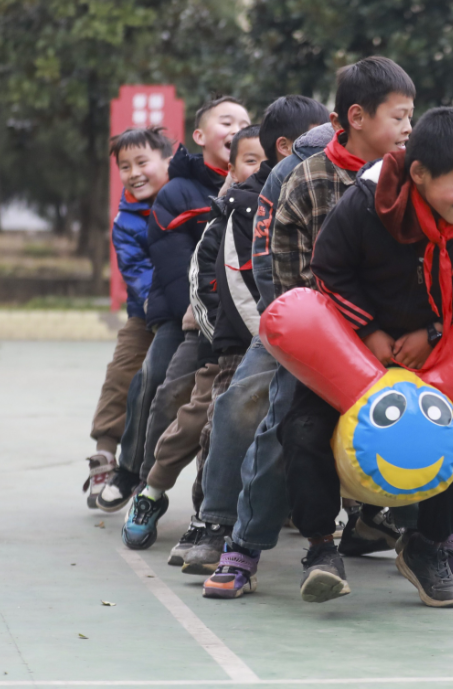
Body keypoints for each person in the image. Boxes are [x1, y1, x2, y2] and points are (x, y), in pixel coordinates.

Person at [281, 106, 453, 608]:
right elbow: (329, 271)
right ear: (419, 174)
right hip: (354, 350)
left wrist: (432, 333)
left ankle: (426, 545)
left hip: (435, 356)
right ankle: (322, 546)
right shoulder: (367, 205)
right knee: (302, 430)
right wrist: (368, 332)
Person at [202, 57, 415, 600]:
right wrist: (312, 338)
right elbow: (278, 270)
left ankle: (434, 540)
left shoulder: (412, 174)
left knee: (429, 418)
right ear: (357, 117)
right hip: (310, 330)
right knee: (271, 420)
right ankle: (235, 539)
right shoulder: (303, 177)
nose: (409, 129)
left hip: (393, 335)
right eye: (400, 116)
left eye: (412, 116)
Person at [179, 98, 330, 574]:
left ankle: (392, 521)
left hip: (356, 324)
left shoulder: (378, 175)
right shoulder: (257, 195)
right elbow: (257, 273)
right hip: (283, 320)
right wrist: (279, 327)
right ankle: (216, 522)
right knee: (238, 399)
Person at [97, 96, 250, 512]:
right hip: (175, 313)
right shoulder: (176, 193)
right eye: (226, 120)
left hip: (238, 317)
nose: (236, 127)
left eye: (244, 121)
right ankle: (129, 469)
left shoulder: (257, 186)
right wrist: (200, 319)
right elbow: (170, 270)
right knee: (149, 378)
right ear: (199, 136)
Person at [83, 127, 171, 507]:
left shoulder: (187, 198)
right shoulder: (126, 222)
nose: (134, 172)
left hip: (196, 314)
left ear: (167, 161)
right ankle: (105, 452)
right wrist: (163, 309)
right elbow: (138, 276)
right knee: (122, 375)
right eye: (124, 166)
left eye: (142, 162)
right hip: (148, 315)